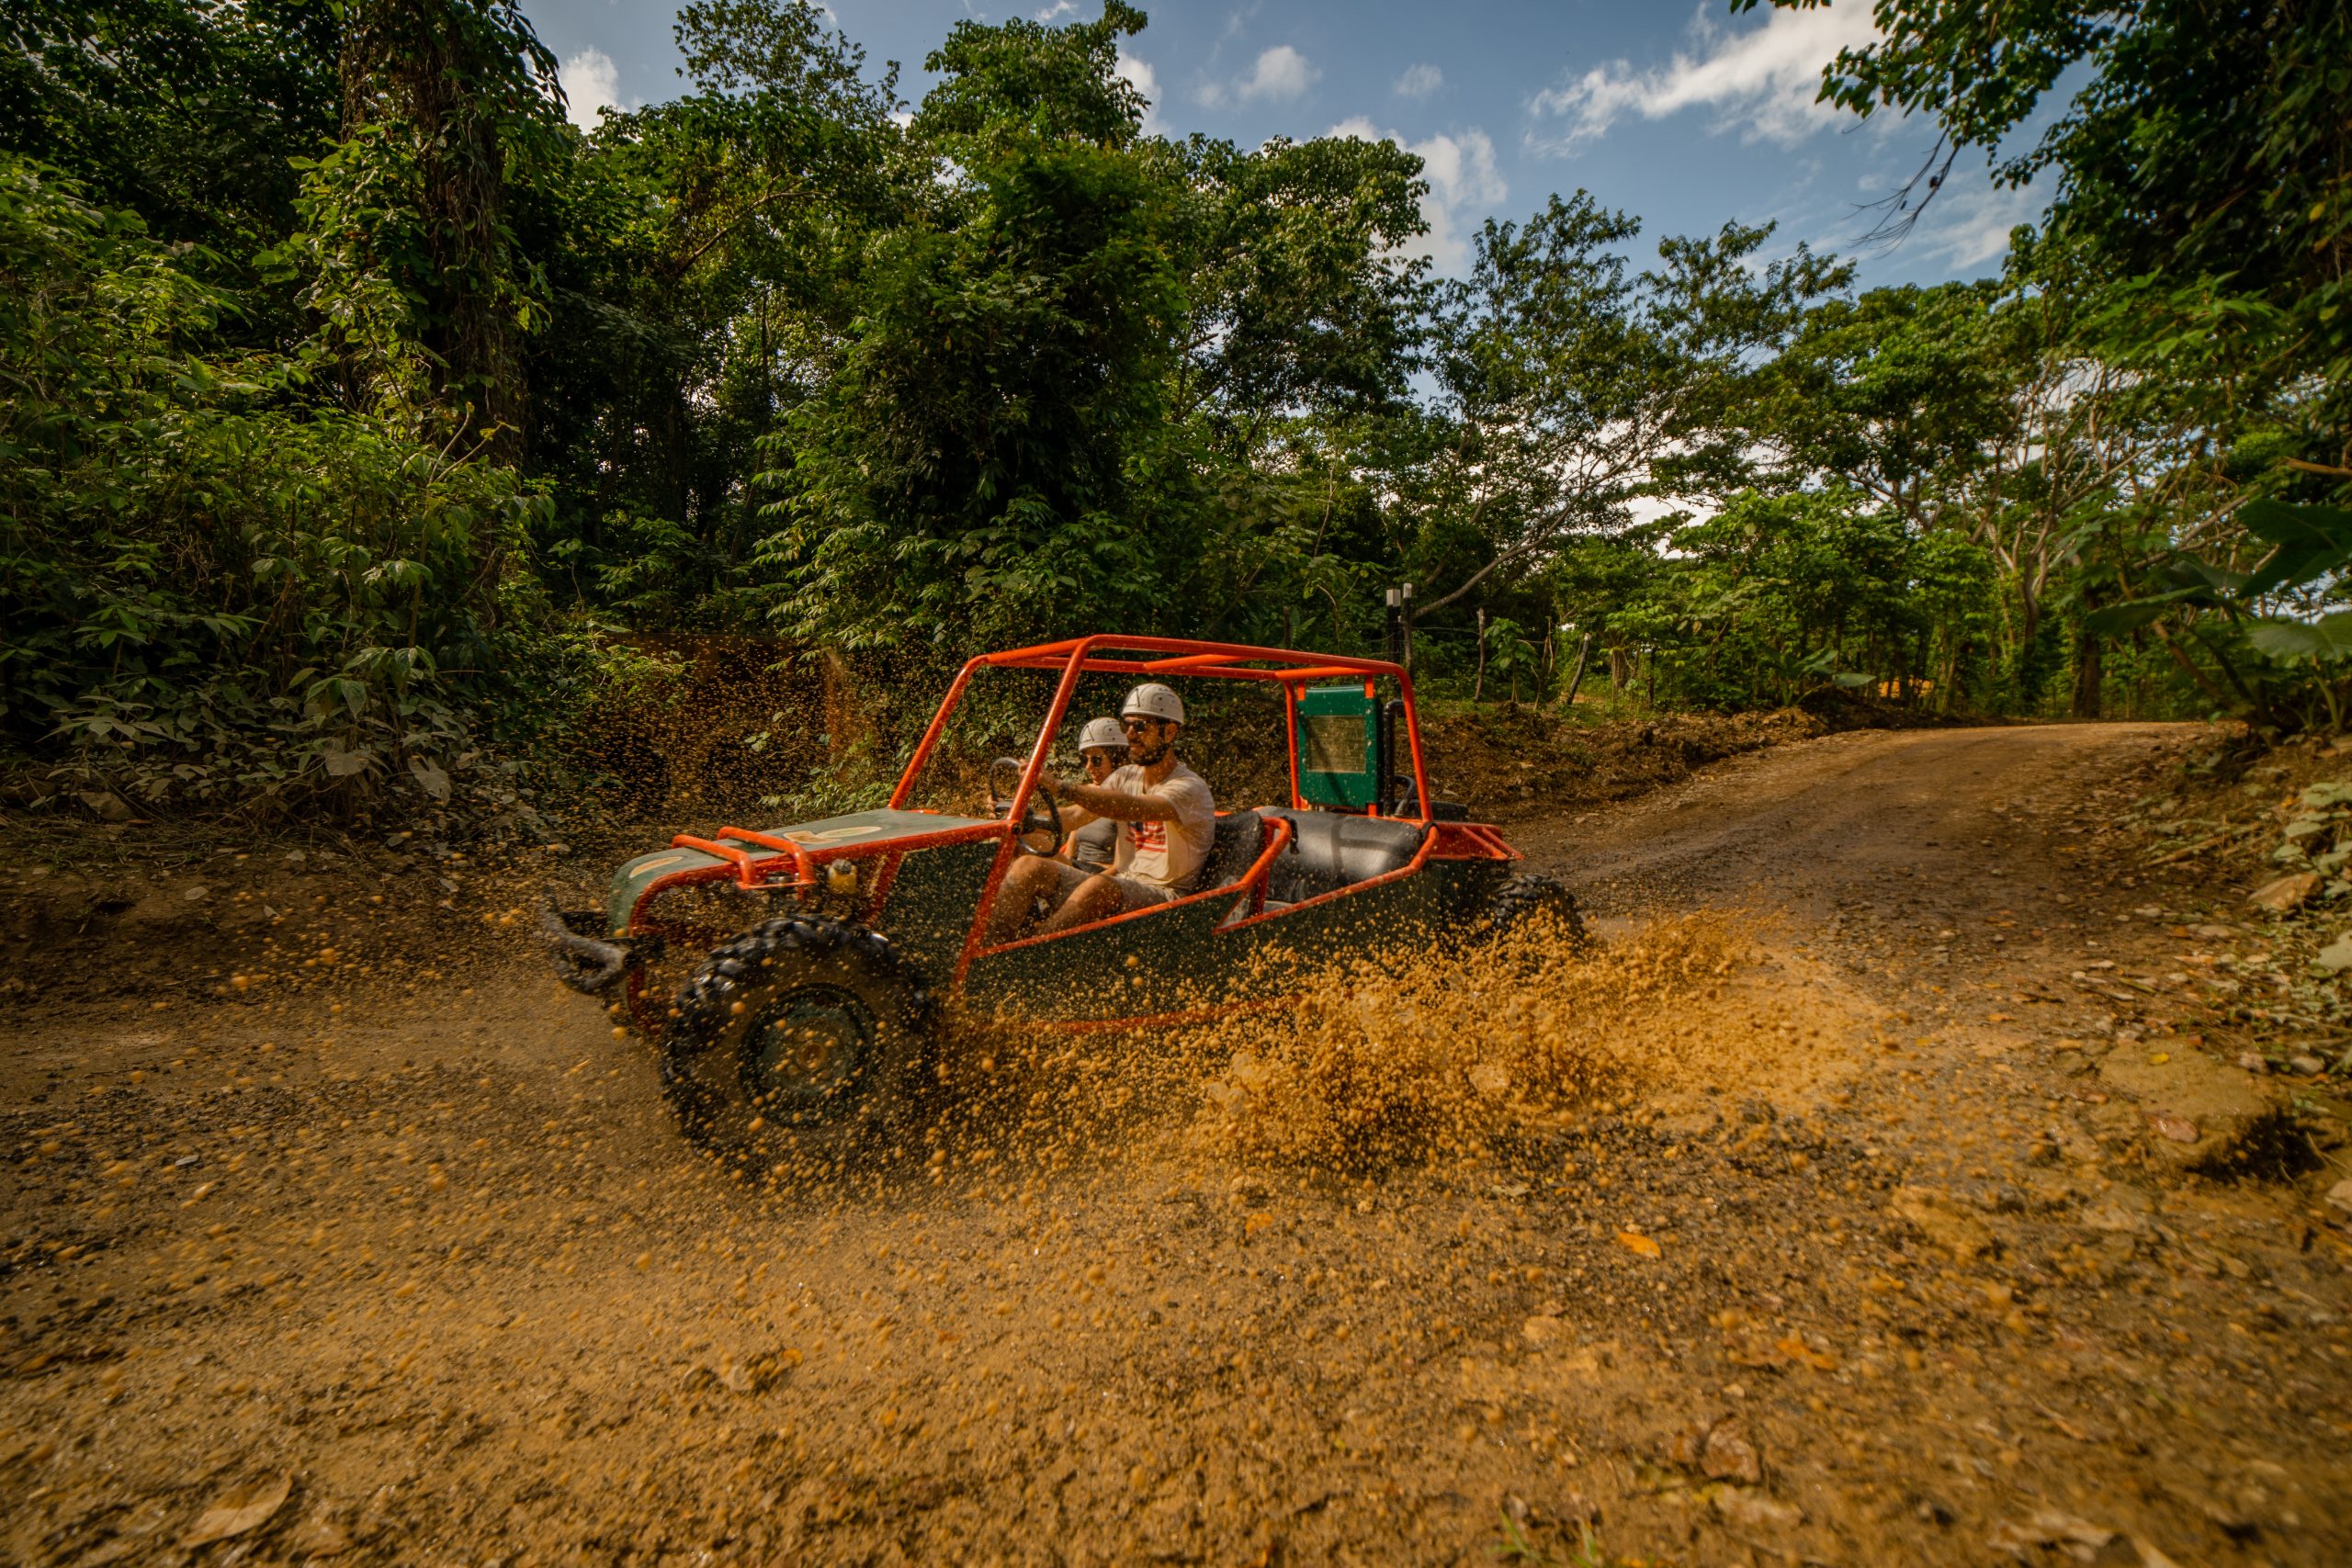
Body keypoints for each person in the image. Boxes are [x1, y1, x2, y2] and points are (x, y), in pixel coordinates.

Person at [985, 683, 1216, 942]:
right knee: (1030, 866)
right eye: (1125, 725)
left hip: (1167, 894)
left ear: (1170, 732)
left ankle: (1021, 957)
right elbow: (1073, 817)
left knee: (1099, 886)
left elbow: (1132, 806)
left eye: (1141, 726)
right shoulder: (1125, 775)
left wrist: (1061, 786)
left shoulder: (1188, 788)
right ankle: (986, 949)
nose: (1130, 734)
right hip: (1122, 883)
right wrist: (1027, 820)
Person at [1062, 716, 1125, 873]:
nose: (1088, 767)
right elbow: (1070, 852)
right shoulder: (1088, 793)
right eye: (1085, 760)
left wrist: (1088, 884)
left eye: (1096, 760)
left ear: (1117, 759)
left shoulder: (1127, 802)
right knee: (1017, 840)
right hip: (1076, 869)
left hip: (1100, 876)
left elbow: (1121, 867)